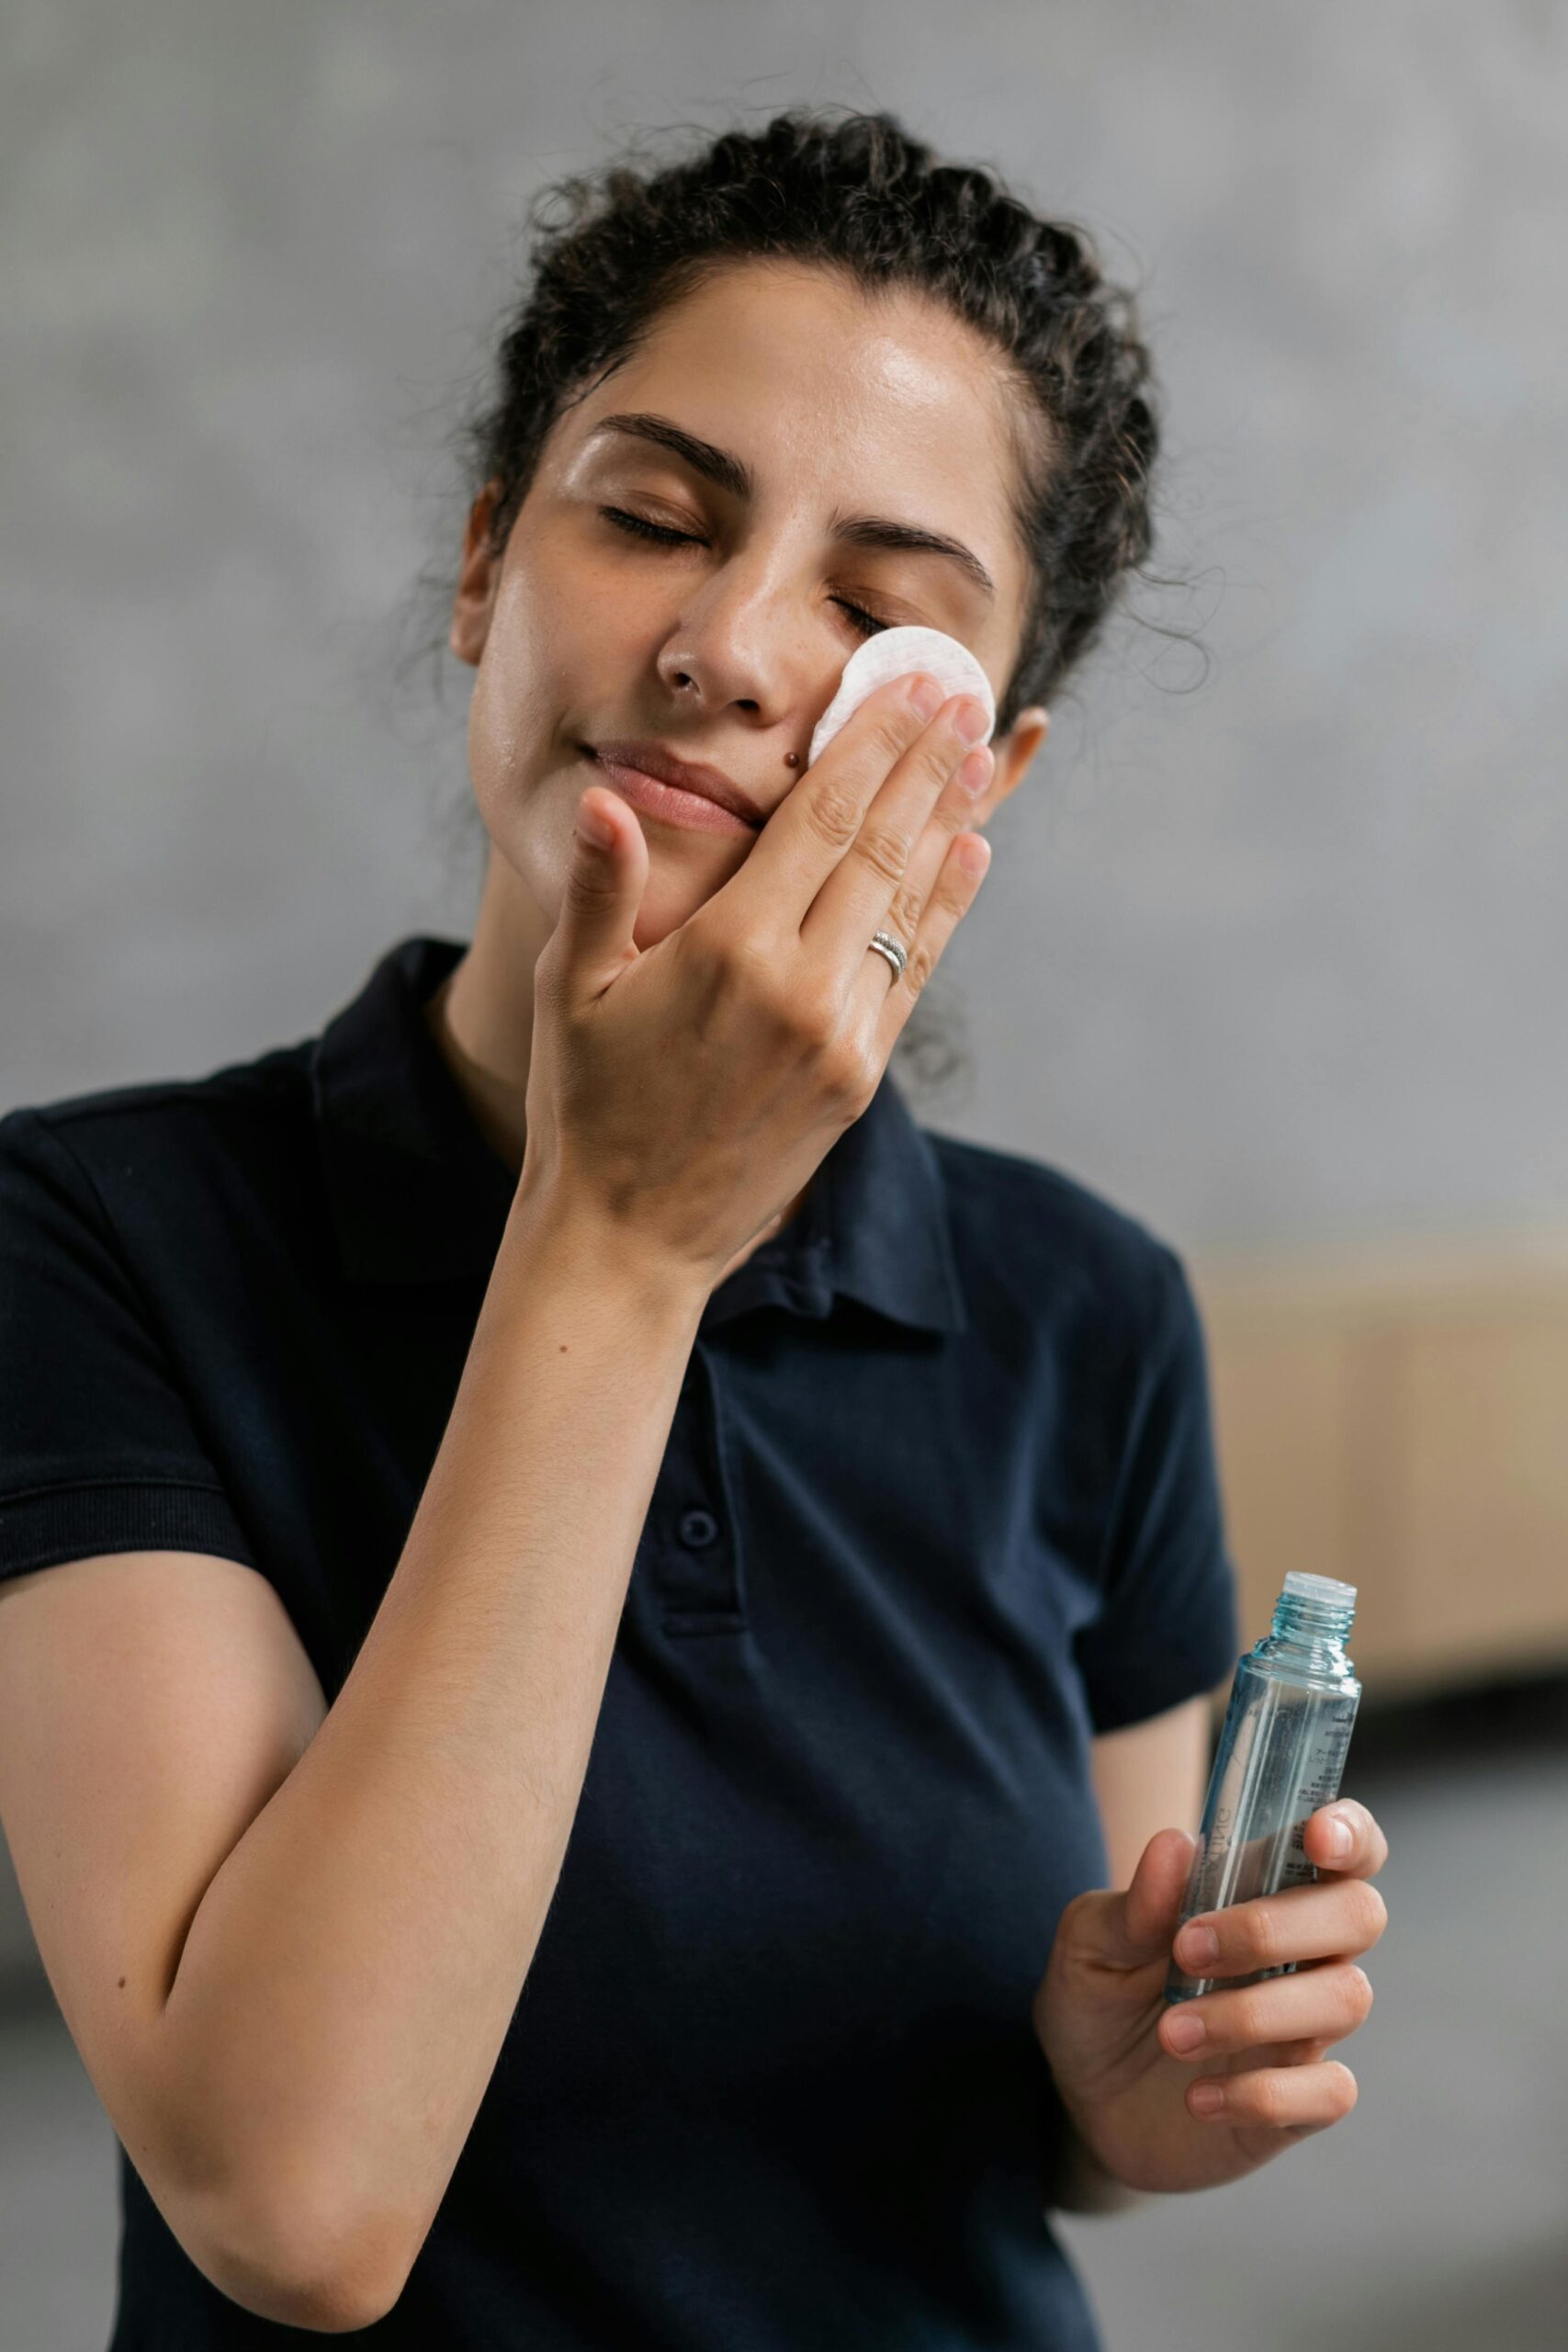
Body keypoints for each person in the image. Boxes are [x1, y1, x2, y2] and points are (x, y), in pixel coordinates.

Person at [0, 106, 1387, 2350]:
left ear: (984, 785)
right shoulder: (94, 1235)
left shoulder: (1083, 1308)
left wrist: (1125, 2089)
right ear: (482, 565)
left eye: (872, 608)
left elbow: (1043, 2096)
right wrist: (619, 1243)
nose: (728, 645)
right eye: (649, 515)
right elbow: (291, 2194)